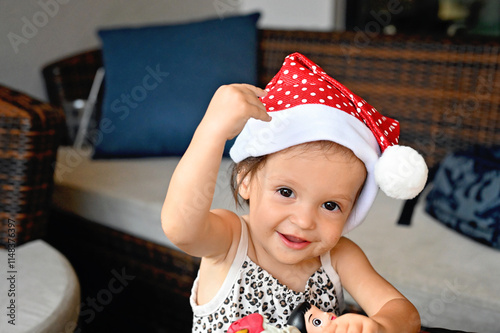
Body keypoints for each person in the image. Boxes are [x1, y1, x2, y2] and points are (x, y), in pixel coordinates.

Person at [162, 52, 427, 332]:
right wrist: (212, 131)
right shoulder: (231, 241)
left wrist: (381, 327)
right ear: (246, 180)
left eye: (330, 205)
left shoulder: (338, 257)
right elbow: (182, 228)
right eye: (286, 191)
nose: (303, 221)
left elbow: (405, 314)